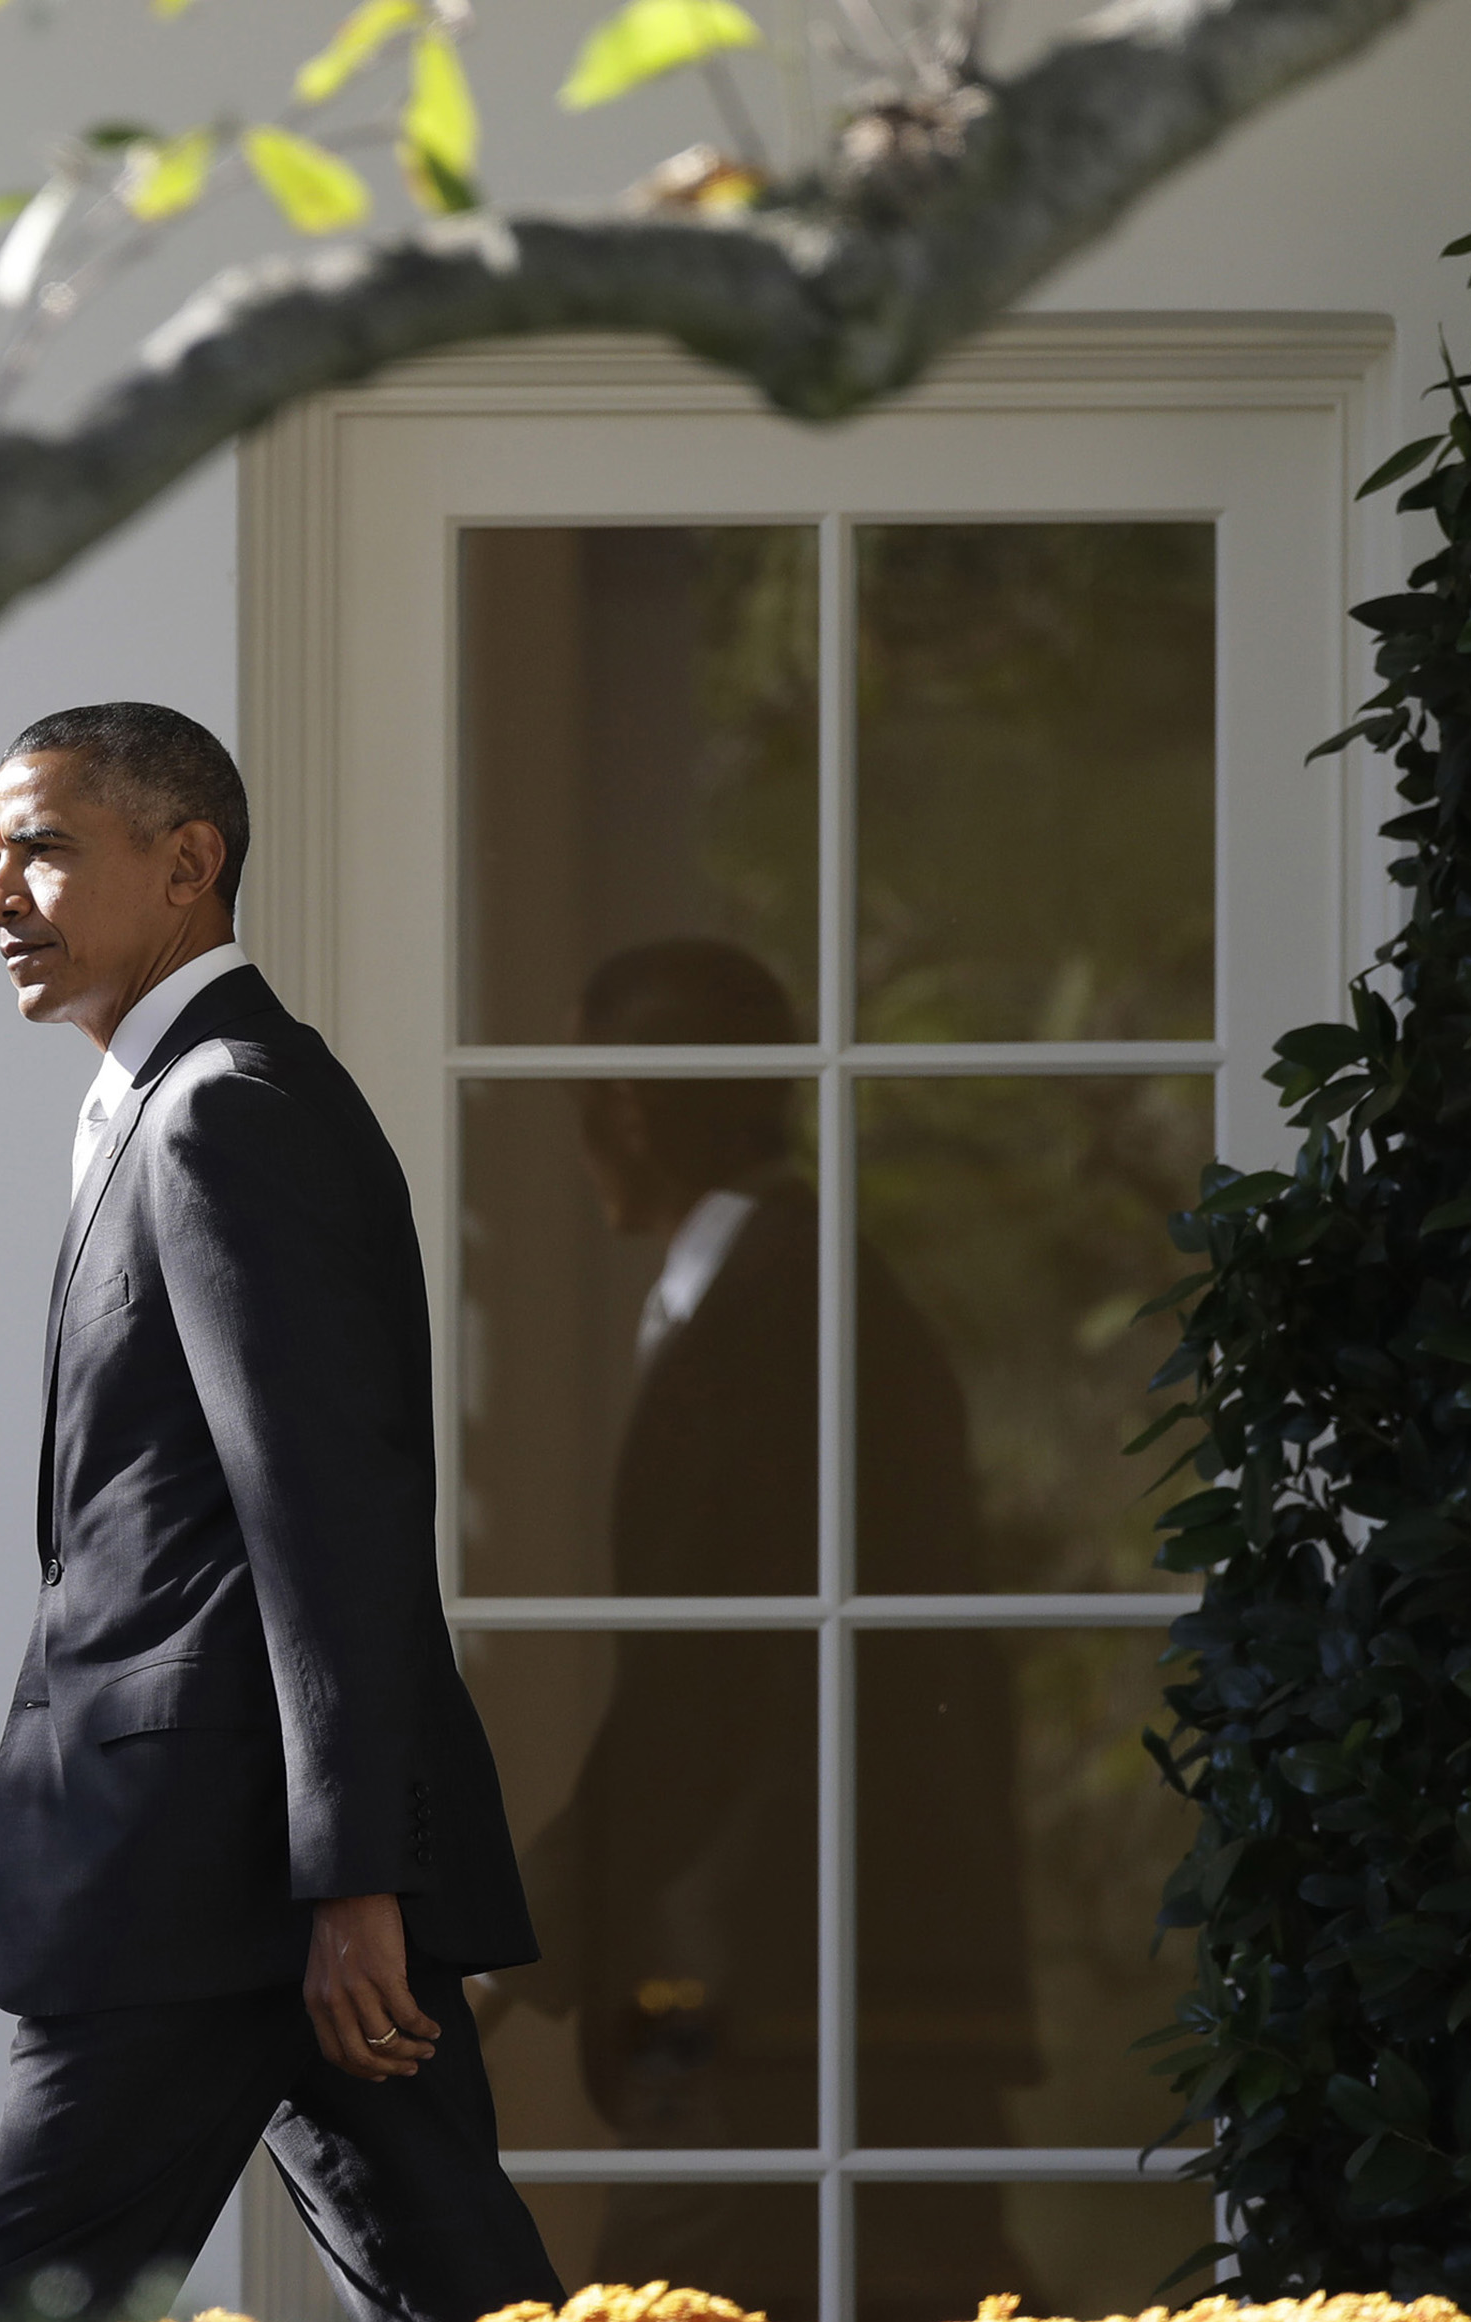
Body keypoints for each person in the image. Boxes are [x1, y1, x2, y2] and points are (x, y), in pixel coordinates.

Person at [0, 703, 559, 2322]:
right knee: (464, 2296)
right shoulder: (161, 1101)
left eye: (40, 847)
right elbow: (143, 1547)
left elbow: (325, 1514)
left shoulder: (225, 1104)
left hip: (222, 1887)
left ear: (189, 864)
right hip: (233, 1871)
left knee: (26, 2296)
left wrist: (354, 1877)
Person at [484, 938, 1036, 2322]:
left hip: (772, 1982)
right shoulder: (797, 1295)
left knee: (666, 2293)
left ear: (622, 1110)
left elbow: (706, 1685)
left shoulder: (777, 1314)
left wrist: (519, 1930)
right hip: (802, 1965)